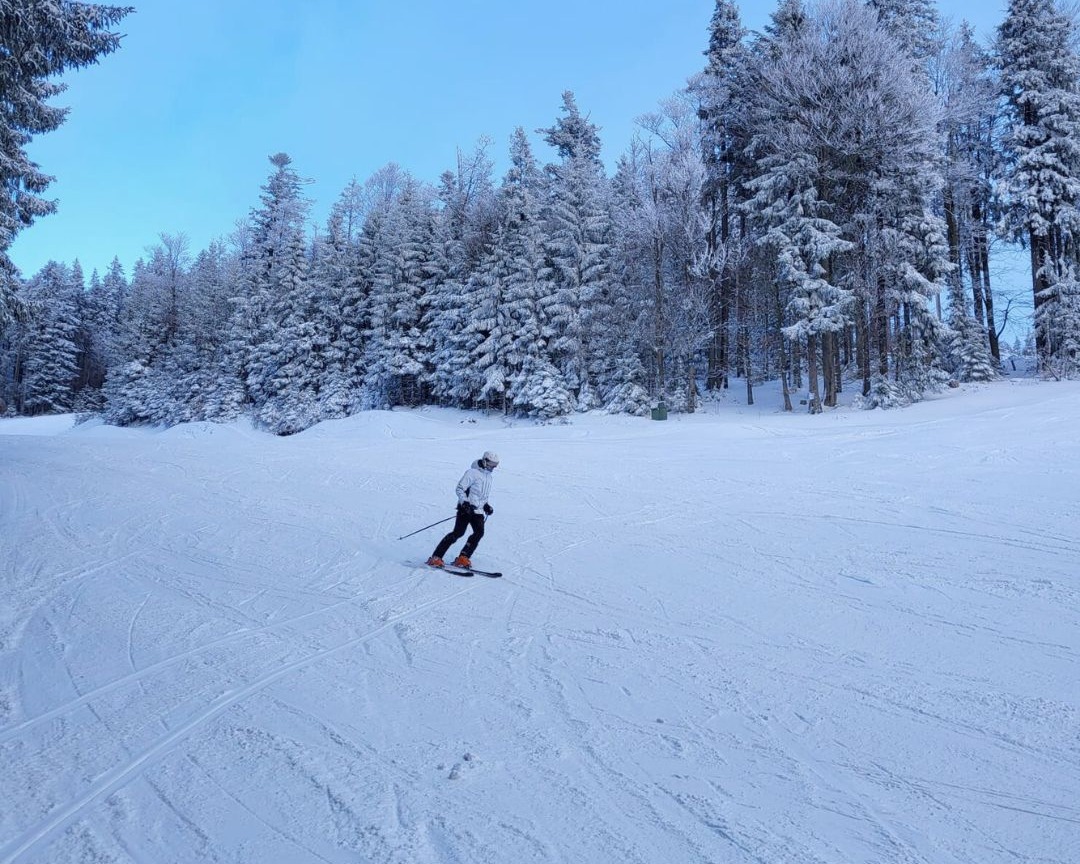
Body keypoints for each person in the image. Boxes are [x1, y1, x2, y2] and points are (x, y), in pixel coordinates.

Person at [427, 451, 499, 568]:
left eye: (495, 464)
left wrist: (486, 505)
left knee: (479, 533)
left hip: (478, 511)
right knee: (458, 533)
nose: (493, 467)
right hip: (466, 509)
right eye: (491, 464)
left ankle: (463, 557)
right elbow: (460, 489)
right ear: (485, 461)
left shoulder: (489, 477)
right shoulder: (472, 473)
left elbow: (482, 496)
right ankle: (436, 557)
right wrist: (465, 503)